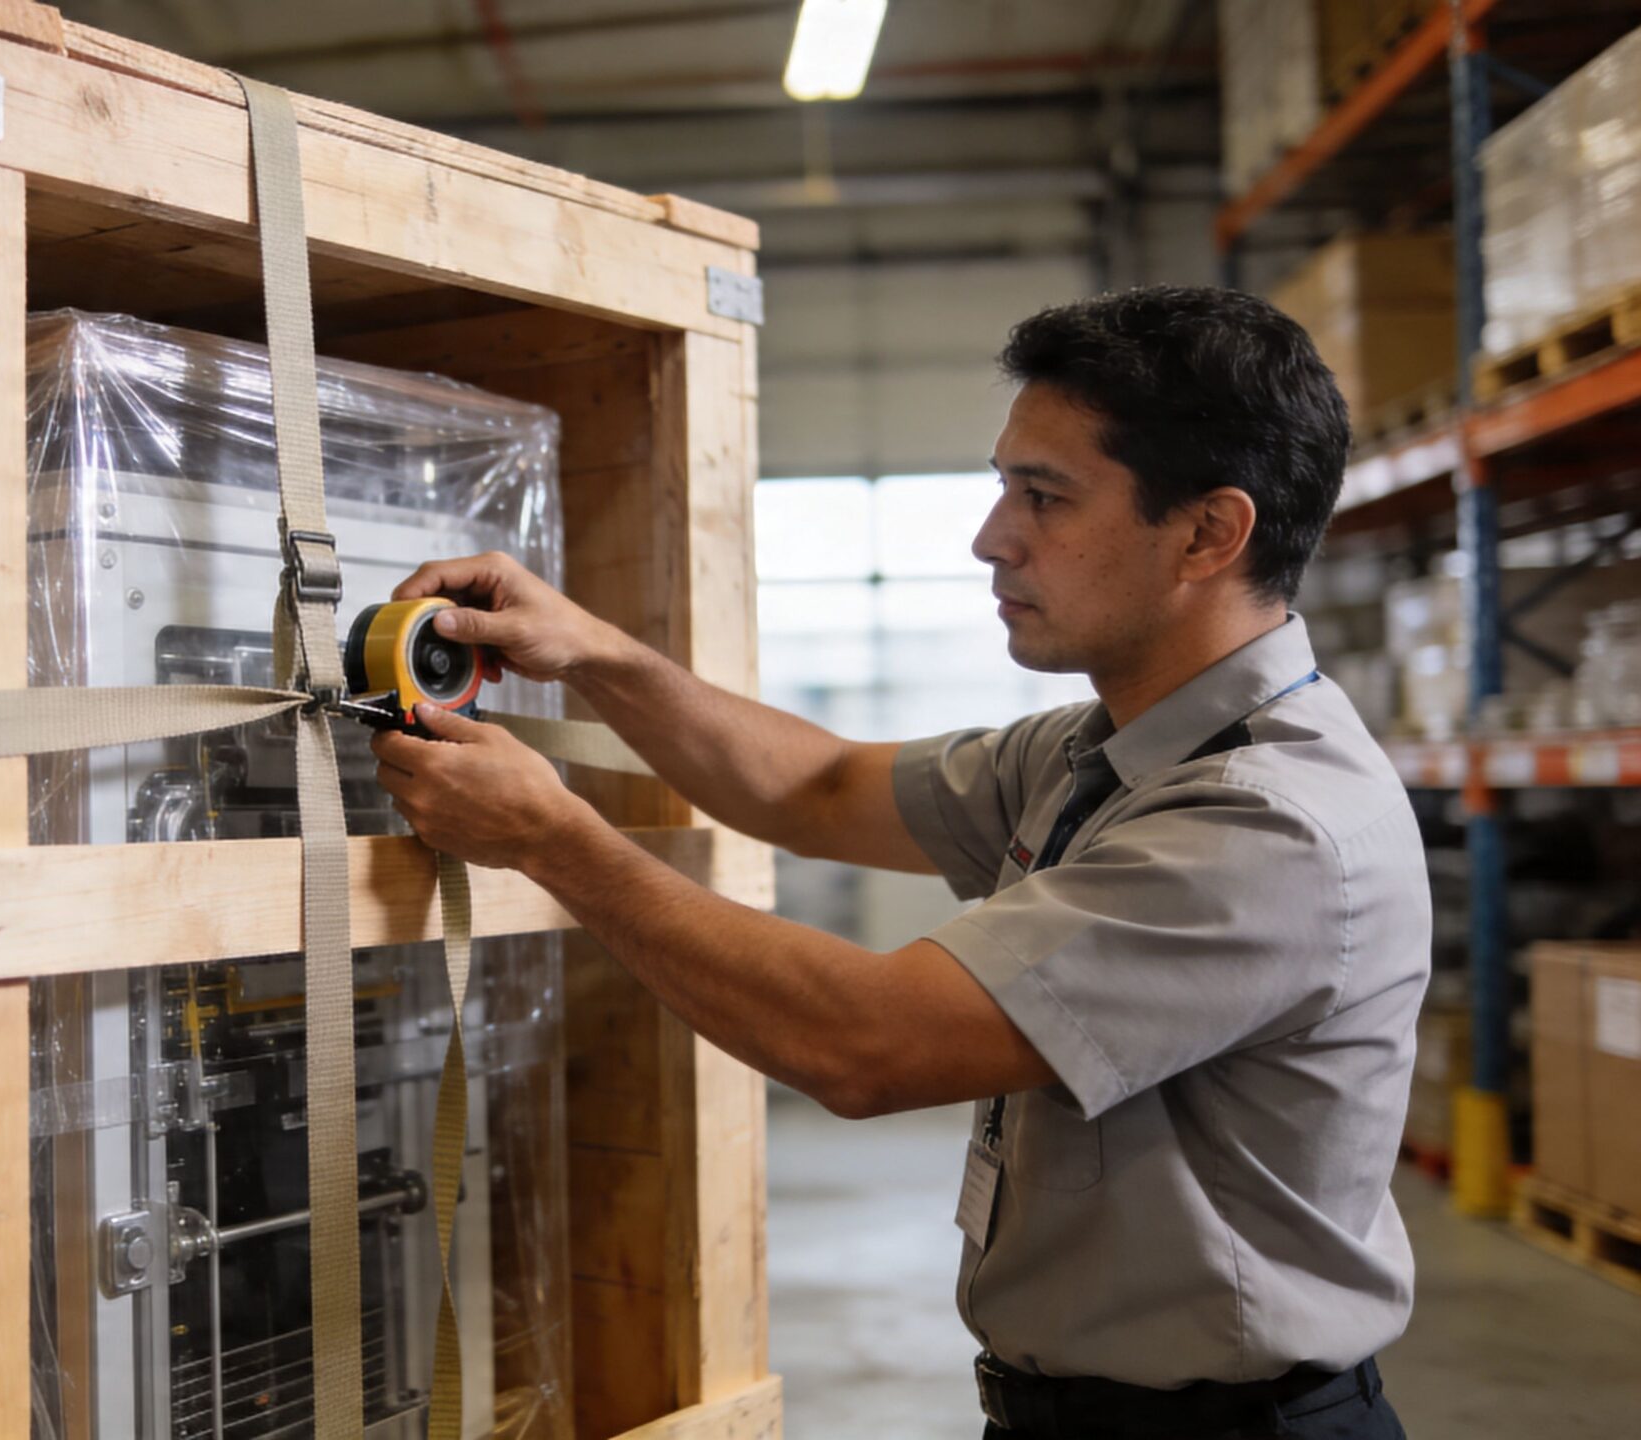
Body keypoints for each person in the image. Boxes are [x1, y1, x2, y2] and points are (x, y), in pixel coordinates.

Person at [369, 285, 1426, 1440]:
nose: (992, 536)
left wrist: (551, 839)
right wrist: (589, 651)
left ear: (1208, 533)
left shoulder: (1265, 824)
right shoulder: (1101, 750)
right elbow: (816, 788)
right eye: (1002, 484)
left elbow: (862, 1045)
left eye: (1045, 496)